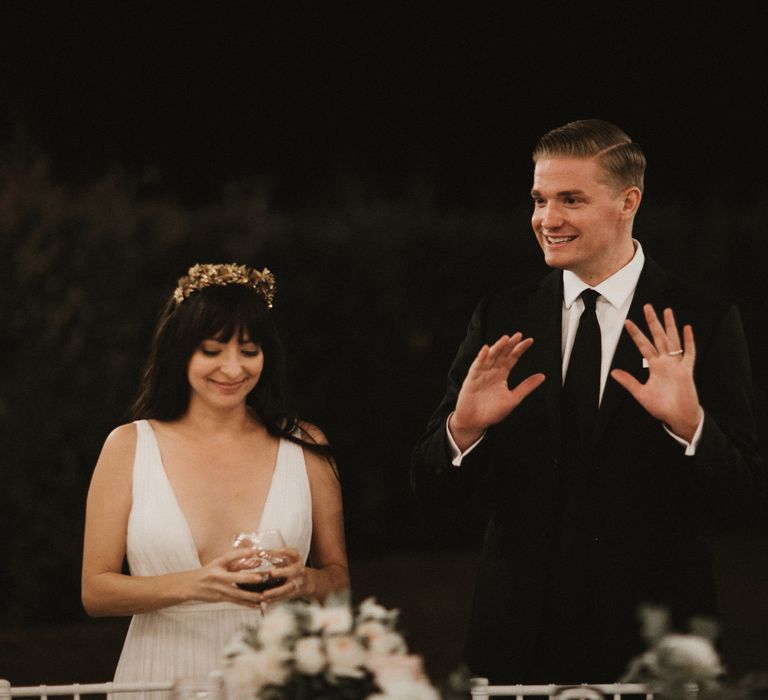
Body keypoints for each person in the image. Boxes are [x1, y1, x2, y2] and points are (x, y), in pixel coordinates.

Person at [411, 120, 764, 684]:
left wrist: (691, 426)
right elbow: (429, 492)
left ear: (629, 202)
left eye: (571, 199)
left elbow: (746, 500)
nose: (547, 220)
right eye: (539, 199)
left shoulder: (704, 319)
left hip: (655, 642)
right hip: (516, 640)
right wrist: (464, 429)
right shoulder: (502, 318)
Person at [82, 263, 349, 690]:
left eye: (248, 350)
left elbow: (339, 583)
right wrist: (197, 584)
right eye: (212, 350)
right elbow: (95, 591)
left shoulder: (305, 445)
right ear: (180, 352)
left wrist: (306, 579)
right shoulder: (130, 446)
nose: (233, 368)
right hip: (161, 675)